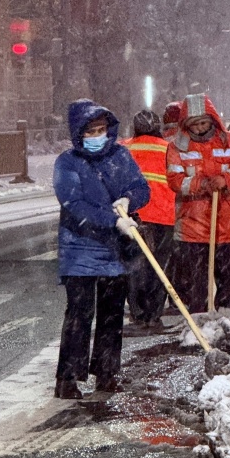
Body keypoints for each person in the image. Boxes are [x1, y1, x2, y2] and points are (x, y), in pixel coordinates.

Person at [52, 98, 150, 399]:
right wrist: (112, 221)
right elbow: (74, 204)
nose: (98, 136)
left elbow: (142, 187)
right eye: (91, 131)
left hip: (114, 252)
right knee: (80, 313)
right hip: (79, 250)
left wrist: (129, 200)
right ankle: (68, 378)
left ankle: (106, 372)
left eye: (102, 129)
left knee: (111, 314)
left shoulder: (120, 156)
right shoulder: (67, 163)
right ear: (78, 133)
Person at [165, 93, 230, 314]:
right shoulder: (178, 148)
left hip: (226, 222)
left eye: (204, 123)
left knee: (228, 274)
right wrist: (201, 184)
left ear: (213, 120)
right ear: (186, 125)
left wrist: (226, 179)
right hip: (193, 224)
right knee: (196, 279)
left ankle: (224, 312)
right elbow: (175, 180)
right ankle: (200, 317)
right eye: (195, 125)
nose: (200, 129)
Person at [120, 109, 176, 330]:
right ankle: (153, 314)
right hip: (164, 215)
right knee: (159, 266)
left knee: (134, 266)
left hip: (135, 215)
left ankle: (138, 314)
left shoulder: (124, 148)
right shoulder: (169, 149)